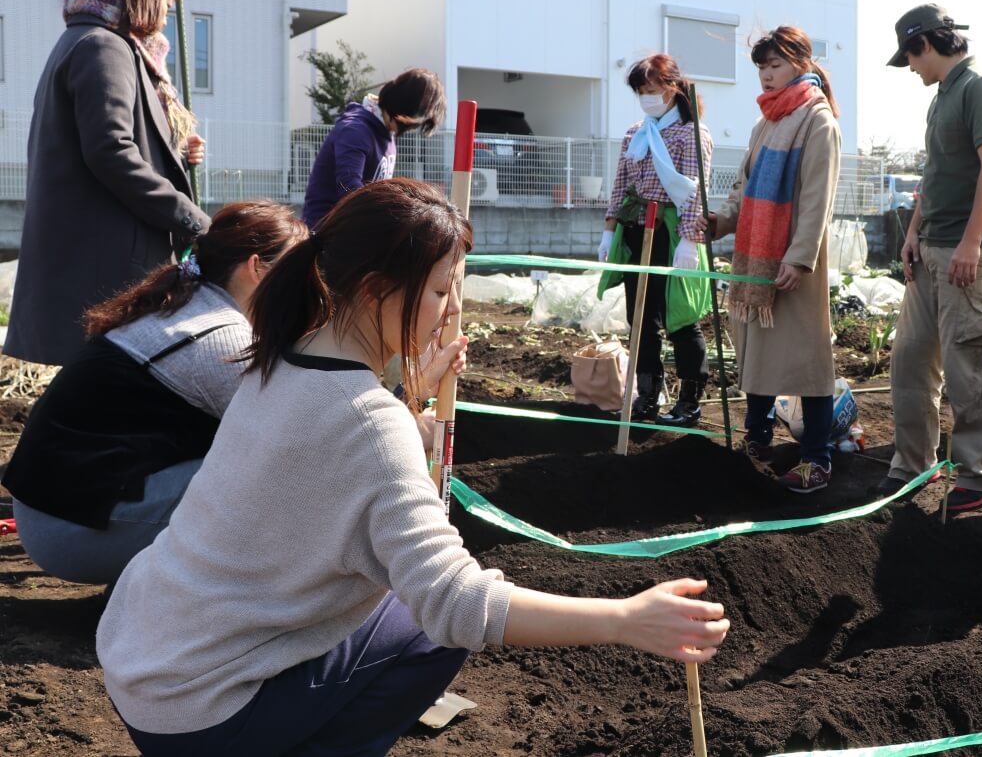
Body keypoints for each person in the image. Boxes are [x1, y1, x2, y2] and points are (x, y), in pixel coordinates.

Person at [96, 179, 728, 756]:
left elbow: (341, 460)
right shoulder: (368, 422)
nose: (452, 308)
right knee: (431, 632)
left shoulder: (278, 357)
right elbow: (458, 604)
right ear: (375, 290)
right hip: (199, 716)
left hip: (143, 653)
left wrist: (408, 401)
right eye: (439, 289)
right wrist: (626, 619)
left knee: (396, 608)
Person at [4, 202, 306, 583]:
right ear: (256, 268)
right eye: (298, 271)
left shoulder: (185, 302)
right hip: (73, 533)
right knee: (281, 481)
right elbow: (300, 440)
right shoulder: (220, 336)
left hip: (57, 514)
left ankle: (150, 584)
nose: (308, 286)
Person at [5, 0, 211, 367]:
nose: (168, 11)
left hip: (91, 257)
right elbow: (110, 151)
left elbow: (113, 139)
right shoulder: (104, 46)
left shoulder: (88, 41)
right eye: (166, 0)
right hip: (107, 265)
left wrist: (173, 149)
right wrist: (192, 219)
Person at [875, 3, 982, 509]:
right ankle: (914, 462)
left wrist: (973, 242)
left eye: (910, 58)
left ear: (926, 46)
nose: (911, 68)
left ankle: (980, 473)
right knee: (911, 357)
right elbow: (936, 176)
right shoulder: (942, 96)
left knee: (967, 361)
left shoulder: (979, 87)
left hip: (971, 248)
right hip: (933, 245)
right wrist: (913, 232)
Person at [712, 26, 841, 493]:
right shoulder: (765, 122)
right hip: (757, 259)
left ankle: (817, 458)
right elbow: (742, 188)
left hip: (793, 263)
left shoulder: (817, 120)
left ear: (801, 64)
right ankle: (759, 437)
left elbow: (816, 198)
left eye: (776, 65)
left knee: (808, 358)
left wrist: (800, 256)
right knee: (758, 348)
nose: (767, 75)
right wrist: (721, 221)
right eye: (763, 67)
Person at [597, 54, 714, 426]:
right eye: (641, 92)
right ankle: (647, 395)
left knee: (680, 317)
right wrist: (609, 229)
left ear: (673, 87)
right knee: (641, 317)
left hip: (672, 231)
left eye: (652, 90)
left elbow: (697, 192)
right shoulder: (637, 133)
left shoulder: (691, 133)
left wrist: (690, 241)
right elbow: (620, 184)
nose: (647, 97)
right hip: (636, 228)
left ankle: (690, 401)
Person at [300, 68, 447, 230]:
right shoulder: (355, 131)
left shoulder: (386, 130)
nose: (409, 130)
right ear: (402, 115)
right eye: (413, 125)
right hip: (326, 231)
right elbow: (349, 189)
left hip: (356, 228)